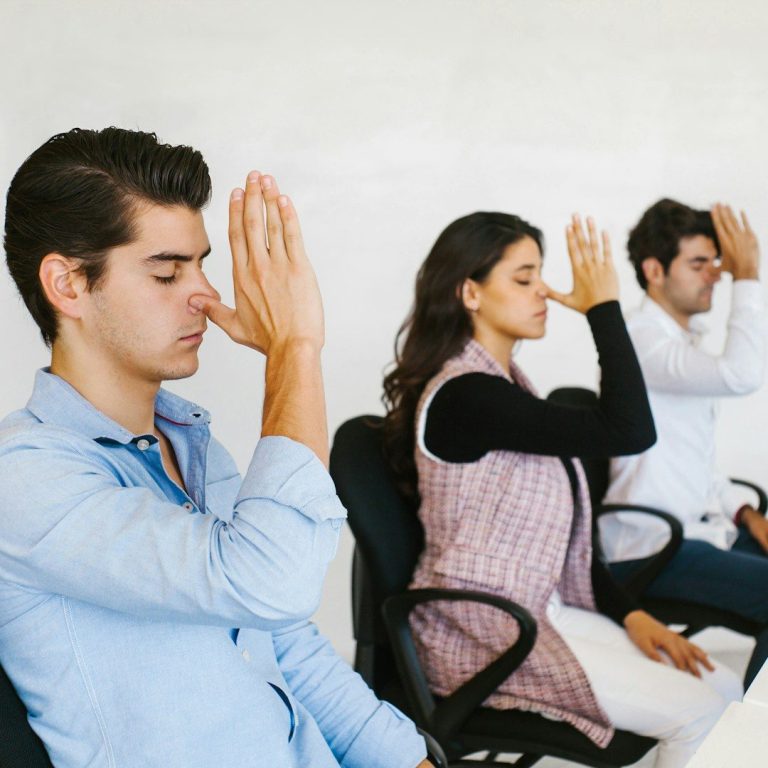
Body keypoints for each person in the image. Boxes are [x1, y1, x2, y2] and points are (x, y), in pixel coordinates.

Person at [0, 127, 431, 768]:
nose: (203, 293)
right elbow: (270, 583)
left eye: (201, 264)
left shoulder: (195, 448)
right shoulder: (28, 479)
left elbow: (287, 642)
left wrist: (409, 761)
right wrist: (294, 352)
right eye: (168, 271)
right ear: (67, 285)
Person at [382, 211, 742, 768]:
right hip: (486, 633)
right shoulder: (467, 396)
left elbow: (566, 544)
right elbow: (630, 431)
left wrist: (634, 617)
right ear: (469, 293)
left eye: (540, 275)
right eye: (524, 279)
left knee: (723, 688)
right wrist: (603, 308)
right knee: (699, 710)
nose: (544, 290)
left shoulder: (508, 391)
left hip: (544, 610)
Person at [602, 197, 768, 686]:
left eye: (716, 263)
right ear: (655, 270)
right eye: (699, 263)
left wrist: (744, 512)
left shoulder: (675, 344)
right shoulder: (640, 341)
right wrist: (749, 275)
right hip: (649, 547)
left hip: (696, 532)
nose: (714, 274)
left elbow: (692, 458)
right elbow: (741, 374)